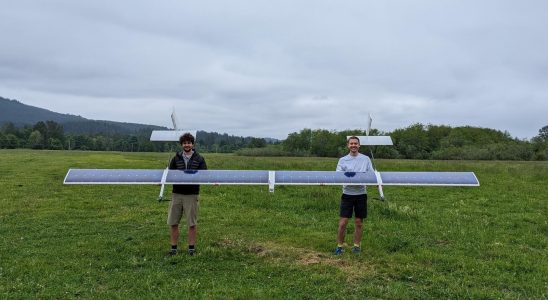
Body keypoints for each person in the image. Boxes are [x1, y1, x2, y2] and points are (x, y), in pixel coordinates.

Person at [167, 133, 207, 256]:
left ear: (192, 144)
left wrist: (215, 181)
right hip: (177, 194)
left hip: (192, 194)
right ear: (181, 145)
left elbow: (205, 174)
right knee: (173, 222)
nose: (187, 145)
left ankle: (191, 249)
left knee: (192, 223)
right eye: (184, 143)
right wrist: (161, 181)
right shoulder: (176, 158)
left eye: (189, 142)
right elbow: (169, 173)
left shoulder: (199, 159)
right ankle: (173, 249)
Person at [334, 136, 373, 255]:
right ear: (348, 145)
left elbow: (371, 174)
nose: (353, 145)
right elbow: (338, 175)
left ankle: (356, 246)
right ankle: (339, 246)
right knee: (343, 222)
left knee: (359, 222)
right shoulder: (342, 160)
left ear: (359, 145)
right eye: (351, 143)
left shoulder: (366, 159)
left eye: (356, 143)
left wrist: (377, 182)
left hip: (361, 194)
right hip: (347, 194)